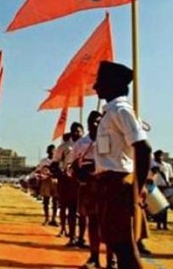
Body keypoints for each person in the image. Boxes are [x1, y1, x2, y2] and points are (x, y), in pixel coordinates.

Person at [93, 61, 151, 269]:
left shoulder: (121, 110)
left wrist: (138, 188)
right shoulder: (110, 113)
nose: (95, 87)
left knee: (125, 247)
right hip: (108, 184)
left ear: (113, 84)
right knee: (115, 243)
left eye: (99, 82)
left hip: (118, 184)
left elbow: (143, 149)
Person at [70, 111, 107, 268]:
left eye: (98, 121)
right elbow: (72, 164)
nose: (95, 124)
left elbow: (108, 159)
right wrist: (80, 176)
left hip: (104, 181)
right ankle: (94, 257)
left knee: (107, 222)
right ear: (87, 123)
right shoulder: (81, 143)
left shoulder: (105, 139)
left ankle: (111, 259)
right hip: (88, 183)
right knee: (92, 220)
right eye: (92, 121)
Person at [53, 123, 83, 245]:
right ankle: (72, 236)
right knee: (71, 209)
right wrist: (60, 171)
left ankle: (81, 237)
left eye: (79, 131)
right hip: (69, 181)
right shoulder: (63, 147)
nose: (77, 133)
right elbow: (55, 163)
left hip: (84, 180)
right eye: (74, 131)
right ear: (71, 132)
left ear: (82, 131)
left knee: (84, 212)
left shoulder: (87, 144)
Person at [35, 144, 58, 227]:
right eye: (50, 150)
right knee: (46, 201)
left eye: (53, 150)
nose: (51, 152)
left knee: (55, 201)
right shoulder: (43, 161)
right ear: (47, 151)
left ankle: (54, 219)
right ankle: (47, 218)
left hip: (55, 181)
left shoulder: (57, 161)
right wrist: (40, 176)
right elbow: (38, 170)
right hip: (46, 181)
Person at [151, 149, 172, 230]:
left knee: (165, 207)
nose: (160, 157)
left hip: (165, 188)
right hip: (155, 188)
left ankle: (165, 224)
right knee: (158, 207)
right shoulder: (152, 165)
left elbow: (170, 177)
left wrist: (169, 183)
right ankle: (158, 224)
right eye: (158, 156)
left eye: (161, 155)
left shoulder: (167, 166)